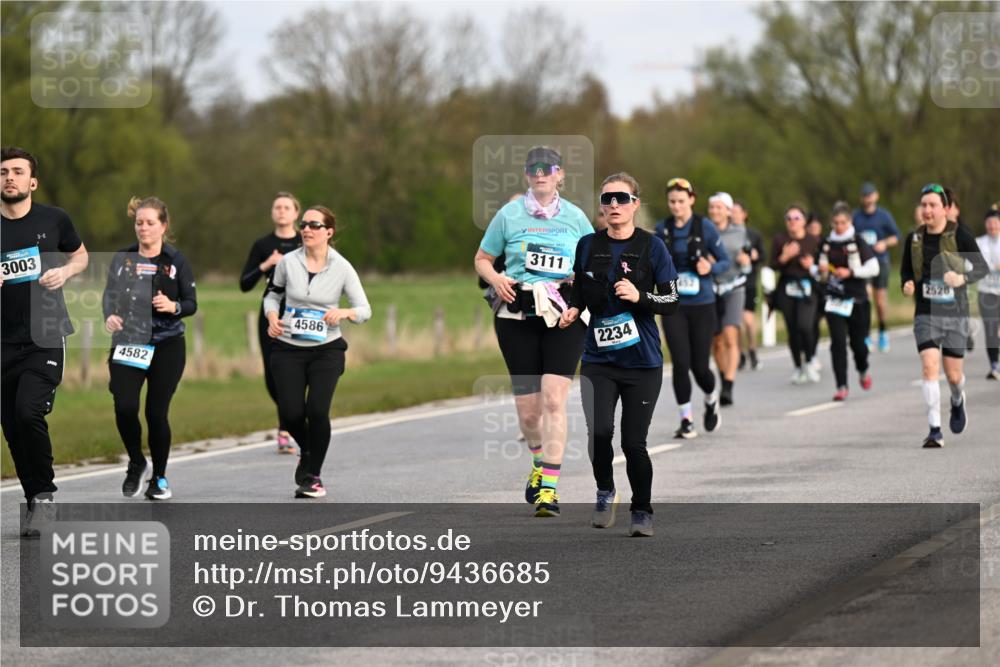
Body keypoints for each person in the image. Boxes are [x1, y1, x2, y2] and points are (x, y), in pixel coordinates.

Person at [475, 146, 592, 518]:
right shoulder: (508, 215)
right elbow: (482, 259)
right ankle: (539, 461)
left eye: (548, 168)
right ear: (527, 175)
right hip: (516, 318)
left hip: (563, 318)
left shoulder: (575, 217)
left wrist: (581, 280)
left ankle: (550, 490)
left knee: (555, 400)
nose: (540, 174)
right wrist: (497, 278)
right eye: (533, 168)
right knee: (529, 414)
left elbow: (594, 261)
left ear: (560, 175)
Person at [560, 173, 678, 537]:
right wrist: (574, 309)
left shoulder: (653, 247)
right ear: (601, 205)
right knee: (599, 432)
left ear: (635, 205)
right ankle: (605, 490)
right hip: (599, 359)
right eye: (607, 198)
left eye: (622, 199)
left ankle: (641, 509)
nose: (614, 205)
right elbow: (579, 289)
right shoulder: (586, 245)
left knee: (632, 442)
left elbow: (672, 300)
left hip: (642, 362)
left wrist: (640, 297)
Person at [1, 147, 88, 537]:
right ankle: (35, 496)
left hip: (45, 335)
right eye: (3, 172)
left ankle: (46, 495)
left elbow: (81, 256)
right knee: (11, 425)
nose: (9, 178)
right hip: (2, 341)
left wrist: (66, 272)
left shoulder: (55, 219)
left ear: (31, 181)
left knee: (27, 413)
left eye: (18, 171)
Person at [265, 206, 371, 498]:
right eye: (304, 224)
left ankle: (313, 475)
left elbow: (365, 309)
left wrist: (345, 312)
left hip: (326, 350)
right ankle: (308, 448)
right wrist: (273, 318)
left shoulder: (342, 267)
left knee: (317, 410)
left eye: (314, 225)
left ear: (329, 232)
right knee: (290, 412)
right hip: (287, 348)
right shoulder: (287, 262)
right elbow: (272, 296)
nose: (307, 229)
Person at [103, 197, 197, 499]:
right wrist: (111, 316)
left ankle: (159, 478)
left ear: (163, 226)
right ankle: (136, 461)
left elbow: (191, 304)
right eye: (139, 222)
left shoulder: (176, 260)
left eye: (150, 223)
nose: (143, 228)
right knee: (125, 405)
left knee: (156, 413)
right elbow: (109, 297)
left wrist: (173, 306)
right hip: (129, 341)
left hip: (167, 344)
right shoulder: (122, 258)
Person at [900, 184, 988, 448]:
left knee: (952, 376)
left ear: (945, 209)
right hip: (925, 313)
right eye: (923, 205)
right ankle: (934, 429)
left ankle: (958, 398)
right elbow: (906, 271)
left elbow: (981, 269)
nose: (927, 210)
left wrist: (962, 277)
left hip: (955, 313)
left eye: (933, 205)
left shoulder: (960, 235)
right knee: (929, 367)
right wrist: (907, 284)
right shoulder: (913, 240)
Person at [654, 177, 730, 438]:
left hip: (702, 304)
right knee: (680, 363)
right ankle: (686, 419)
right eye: (672, 202)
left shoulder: (705, 227)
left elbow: (725, 261)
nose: (676, 206)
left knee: (700, 366)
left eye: (681, 202)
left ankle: (710, 398)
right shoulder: (661, 228)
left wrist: (710, 267)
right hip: (673, 305)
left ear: (692, 200)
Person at [240, 192, 302, 454]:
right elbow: (244, 284)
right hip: (271, 314)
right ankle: (289, 422)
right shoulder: (263, 244)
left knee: (299, 372)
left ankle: (288, 428)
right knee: (273, 376)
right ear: (272, 213)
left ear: (296, 213)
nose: (281, 211)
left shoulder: (305, 240)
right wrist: (267, 264)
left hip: (302, 314)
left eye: (287, 207)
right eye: (277, 207)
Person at [818, 203, 879, 401]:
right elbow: (816, 267)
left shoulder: (857, 241)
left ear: (850, 222)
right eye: (835, 223)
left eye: (843, 222)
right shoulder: (826, 243)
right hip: (834, 299)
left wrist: (851, 272)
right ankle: (841, 385)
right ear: (831, 223)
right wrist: (820, 271)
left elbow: (874, 267)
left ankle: (862, 369)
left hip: (857, 299)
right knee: (837, 343)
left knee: (858, 344)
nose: (839, 226)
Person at [770, 204, 822, 384]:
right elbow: (772, 266)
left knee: (805, 326)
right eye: (789, 218)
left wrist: (812, 265)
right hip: (787, 287)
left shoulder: (814, 240)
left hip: (808, 288)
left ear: (804, 221)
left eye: (796, 218)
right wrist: (784, 256)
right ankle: (797, 367)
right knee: (792, 330)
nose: (792, 222)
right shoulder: (779, 240)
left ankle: (809, 360)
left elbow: (824, 267)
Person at [707, 192, 750, 406]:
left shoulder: (740, 231)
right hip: (711, 288)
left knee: (730, 336)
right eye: (712, 207)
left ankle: (728, 386)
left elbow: (749, 256)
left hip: (734, 286)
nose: (715, 211)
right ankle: (724, 376)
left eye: (719, 207)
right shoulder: (703, 231)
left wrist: (746, 259)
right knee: (717, 342)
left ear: (728, 210)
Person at [853, 182, 901, 352]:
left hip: (880, 261)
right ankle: (866, 334)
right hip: (863, 263)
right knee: (865, 298)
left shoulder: (884, 216)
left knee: (880, 301)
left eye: (870, 195)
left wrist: (884, 243)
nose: (868, 198)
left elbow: (896, 236)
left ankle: (882, 330)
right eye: (865, 195)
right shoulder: (856, 217)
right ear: (861, 198)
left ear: (876, 196)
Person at [732, 201, 766, 371]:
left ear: (744, 214)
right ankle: (740, 353)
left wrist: (754, 255)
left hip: (750, 281)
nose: (734, 215)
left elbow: (763, 256)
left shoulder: (754, 235)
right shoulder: (726, 234)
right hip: (733, 281)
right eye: (731, 211)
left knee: (748, 320)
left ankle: (752, 349)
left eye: (737, 212)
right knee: (737, 321)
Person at [976, 209, 1000, 380]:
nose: (992, 226)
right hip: (986, 291)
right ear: (985, 225)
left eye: (995, 222)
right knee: (990, 329)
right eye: (989, 223)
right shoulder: (978, 243)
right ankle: (994, 365)